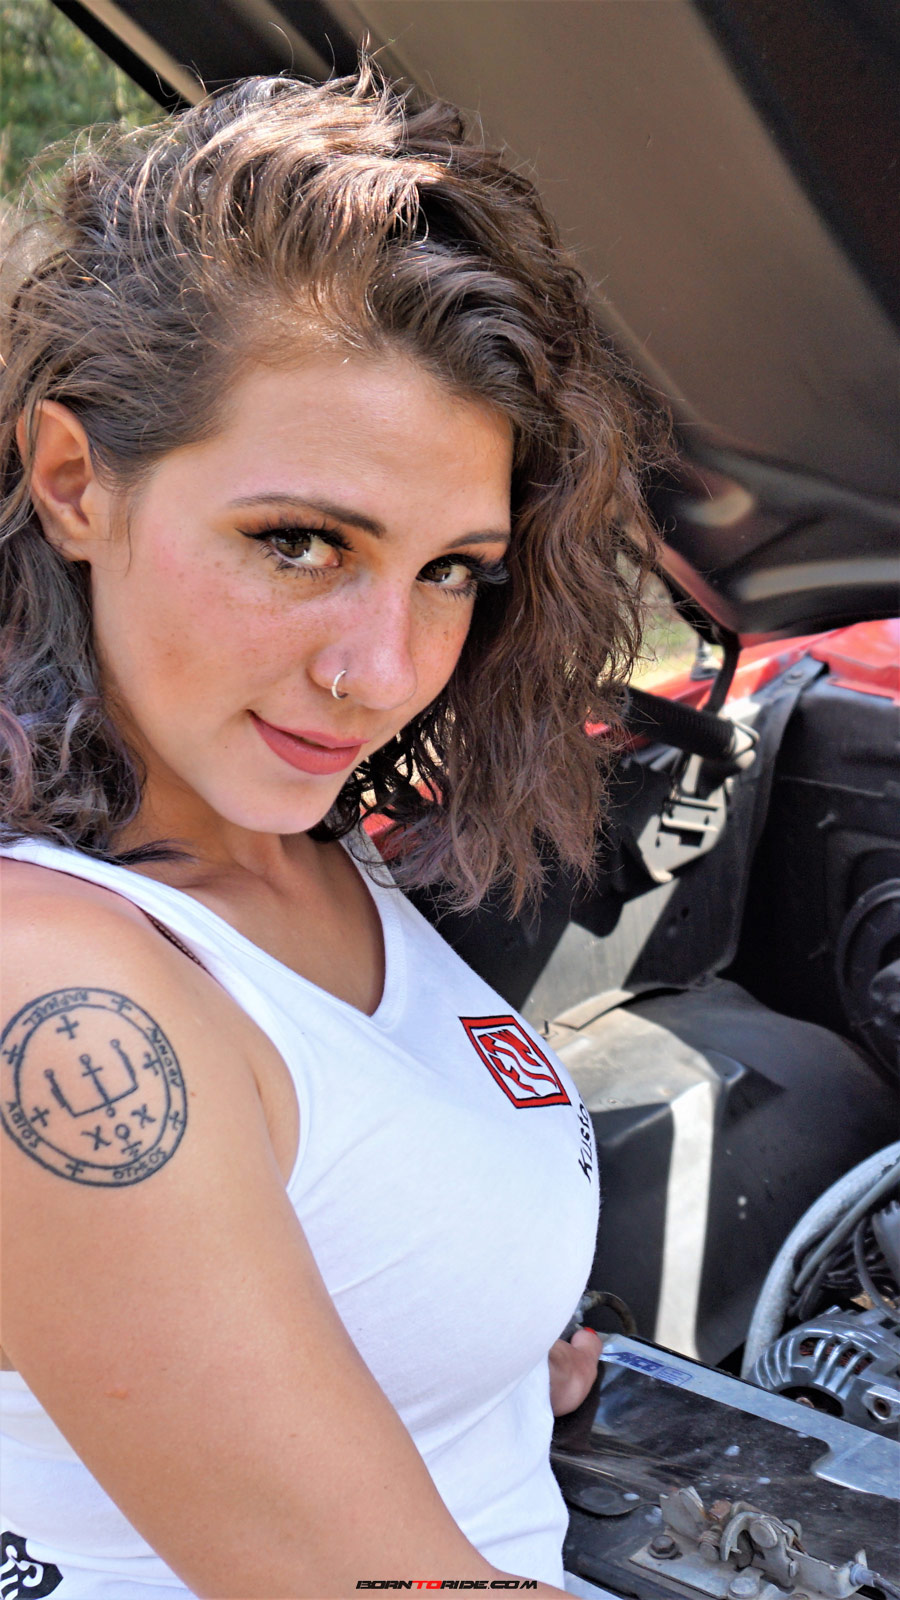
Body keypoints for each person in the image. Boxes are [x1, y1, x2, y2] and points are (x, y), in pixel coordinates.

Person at [0, 65, 667, 1600]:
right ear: (74, 481)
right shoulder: (60, 997)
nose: (382, 670)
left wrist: (482, 1361)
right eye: (298, 542)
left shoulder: (289, 833)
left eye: (451, 571)